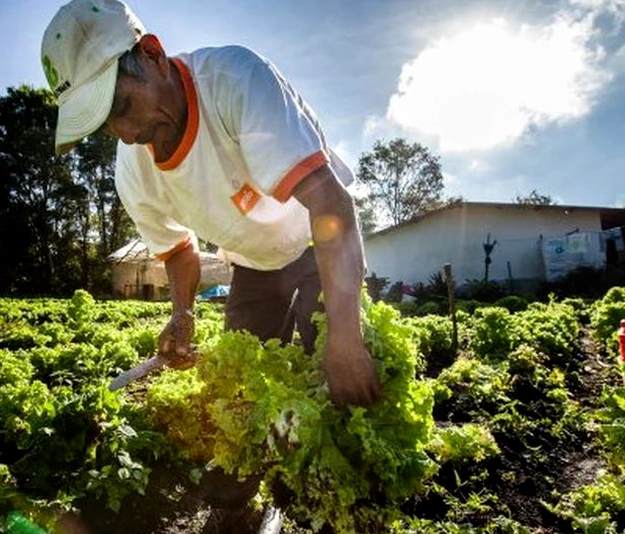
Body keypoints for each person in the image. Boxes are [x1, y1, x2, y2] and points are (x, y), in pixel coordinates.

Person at [41, 0, 381, 408]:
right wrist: (182, 314)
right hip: (253, 263)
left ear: (152, 54)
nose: (127, 134)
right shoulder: (132, 173)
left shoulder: (235, 81)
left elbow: (330, 203)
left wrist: (346, 340)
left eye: (123, 107)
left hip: (317, 241)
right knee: (241, 393)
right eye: (106, 125)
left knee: (339, 372)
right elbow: (178, 250)